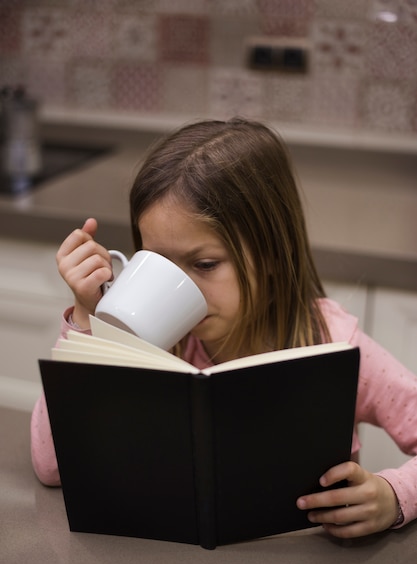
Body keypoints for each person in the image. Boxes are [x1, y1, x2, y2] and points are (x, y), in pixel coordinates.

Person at [31, 117, 417, 539]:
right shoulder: (149, 345)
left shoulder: (335, 346)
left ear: (272, 256)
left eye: (204, 264)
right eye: (157, 263)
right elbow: (53, 466)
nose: (177, 290)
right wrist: (91, 324)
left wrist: (394, 495)